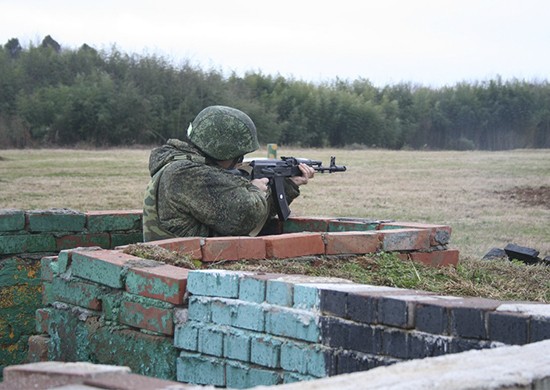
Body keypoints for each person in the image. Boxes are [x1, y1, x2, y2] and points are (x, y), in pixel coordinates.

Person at [142, 105, 315, 242]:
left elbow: (251, 218)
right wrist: (255, 189)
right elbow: (244, 217)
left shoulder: (181, 166)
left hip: (190, 264)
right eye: (238, 155)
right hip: (187, 270)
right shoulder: (185, 173)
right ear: (223, 150)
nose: (240, 161)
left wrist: (287, 185)